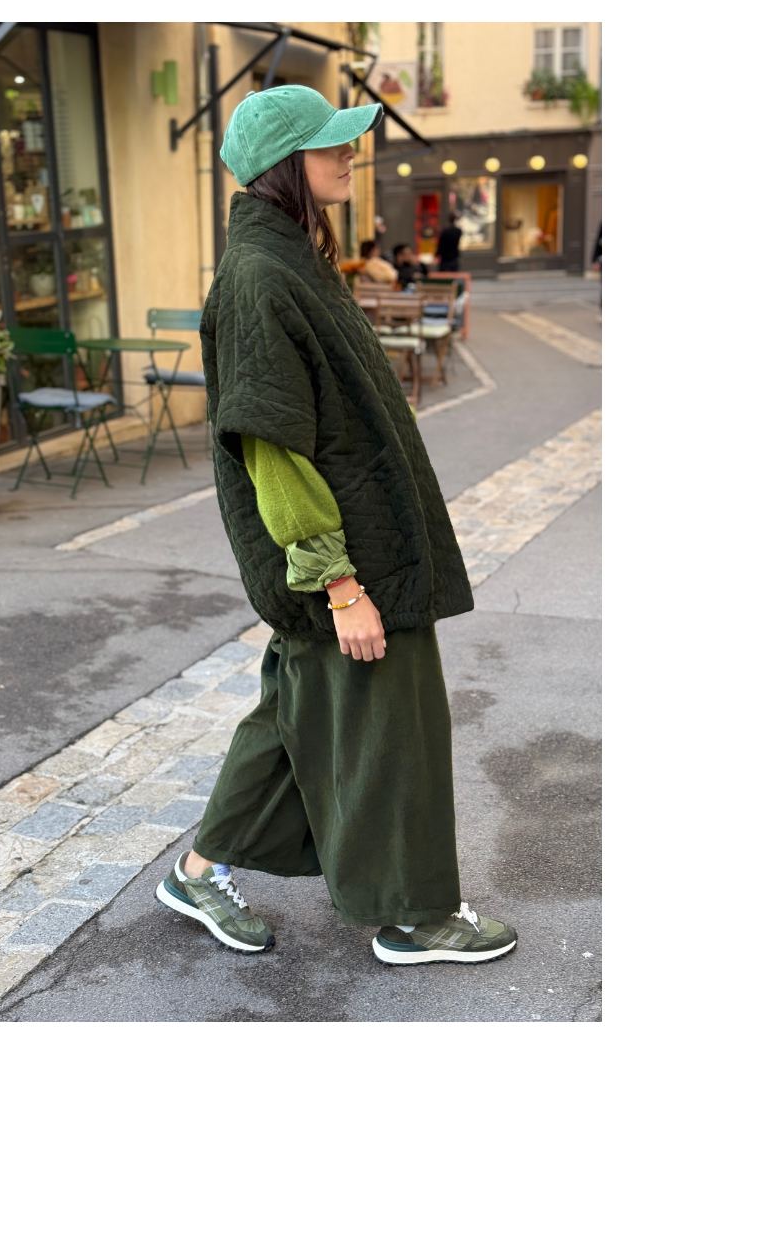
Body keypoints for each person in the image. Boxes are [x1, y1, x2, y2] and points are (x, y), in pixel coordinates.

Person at [154, 84, 517, 967]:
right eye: (330, 145)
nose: (349, 154)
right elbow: (272, 449)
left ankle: (197, 874)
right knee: (396, 731)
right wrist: (341, 585)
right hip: (348, 565)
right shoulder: (259, 278)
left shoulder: (295, 258)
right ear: (287, 165)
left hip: (360, 550)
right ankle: (416, 916)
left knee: (293, 714)